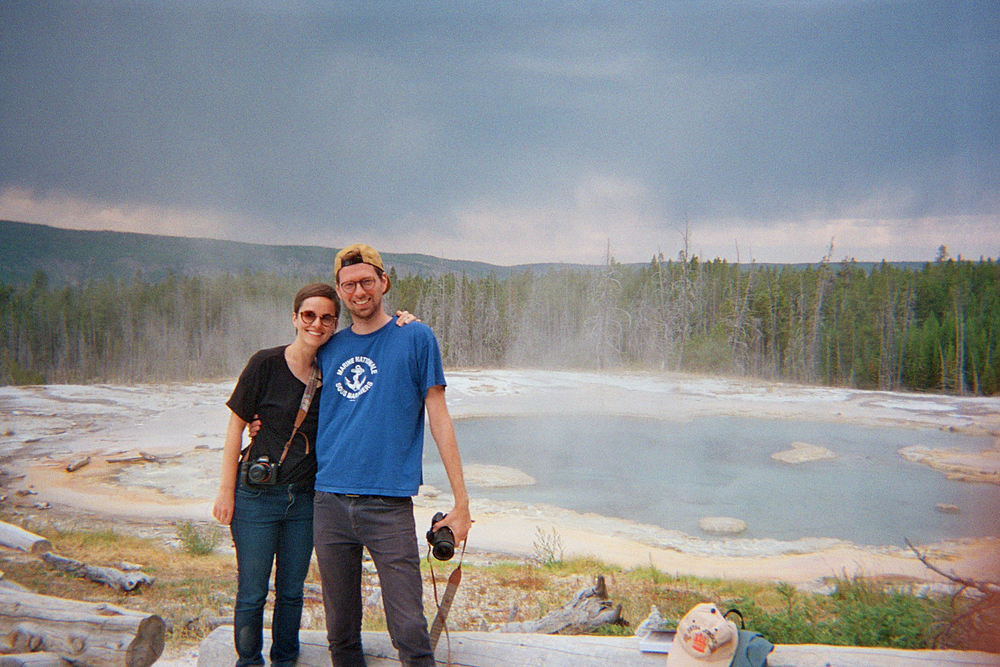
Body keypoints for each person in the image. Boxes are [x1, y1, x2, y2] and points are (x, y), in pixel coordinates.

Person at [212, 283, 417, 667]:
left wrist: (406, 324)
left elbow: (379, 351)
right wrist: (226, 492)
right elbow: (235, 427)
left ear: (334, 323)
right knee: (253, 591)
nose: (317, 324)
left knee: (291, 591)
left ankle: (285, 661)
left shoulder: (335, 368)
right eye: (309, 315)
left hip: (306, 498)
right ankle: (249, 662)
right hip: (257, 497)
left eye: (326, 318)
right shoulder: (265, 364)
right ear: (294, 318)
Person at [313, 244, 472, 667]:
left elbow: (438, 415)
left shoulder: (414, 336)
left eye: (367, 281)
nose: (359, 291)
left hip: (387, 503)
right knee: (340, 634)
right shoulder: (327, 346)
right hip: (328, 501)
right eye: (349, 285)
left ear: (384, 282)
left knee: (409, 631)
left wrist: (462, 502)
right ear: (340, 291)